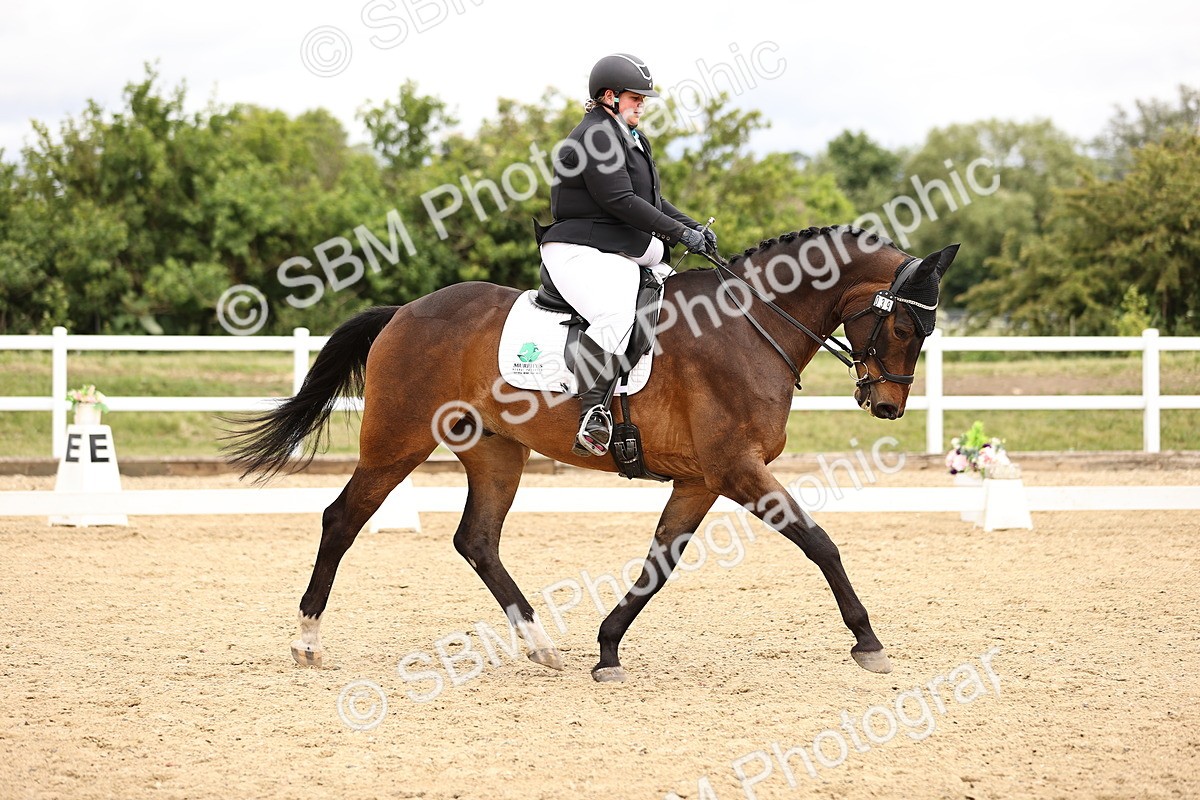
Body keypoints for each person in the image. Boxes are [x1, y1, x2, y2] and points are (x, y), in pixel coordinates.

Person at [538, 53, 717, 458]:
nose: (642, 104)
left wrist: (691, 227)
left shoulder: (630, 136)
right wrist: (680, 234)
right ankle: (591, 414)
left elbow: (651, 199)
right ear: (609, 97)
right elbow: (618, 199)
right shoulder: (596, 136)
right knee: (617, 314)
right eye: (636, 97)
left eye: (643, 98)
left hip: (613, 248)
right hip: (577, 249)